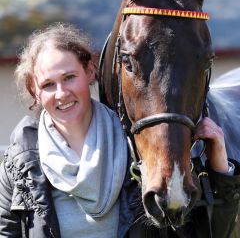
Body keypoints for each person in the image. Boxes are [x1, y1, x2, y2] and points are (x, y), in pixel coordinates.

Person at [0, 23, 239, 238]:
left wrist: (221, 169)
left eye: (69, 77)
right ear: (35, 92)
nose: (62, 93)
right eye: (48, 85)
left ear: (90, 72)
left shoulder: (137, 147)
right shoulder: (19, 164)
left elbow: (207, 232)